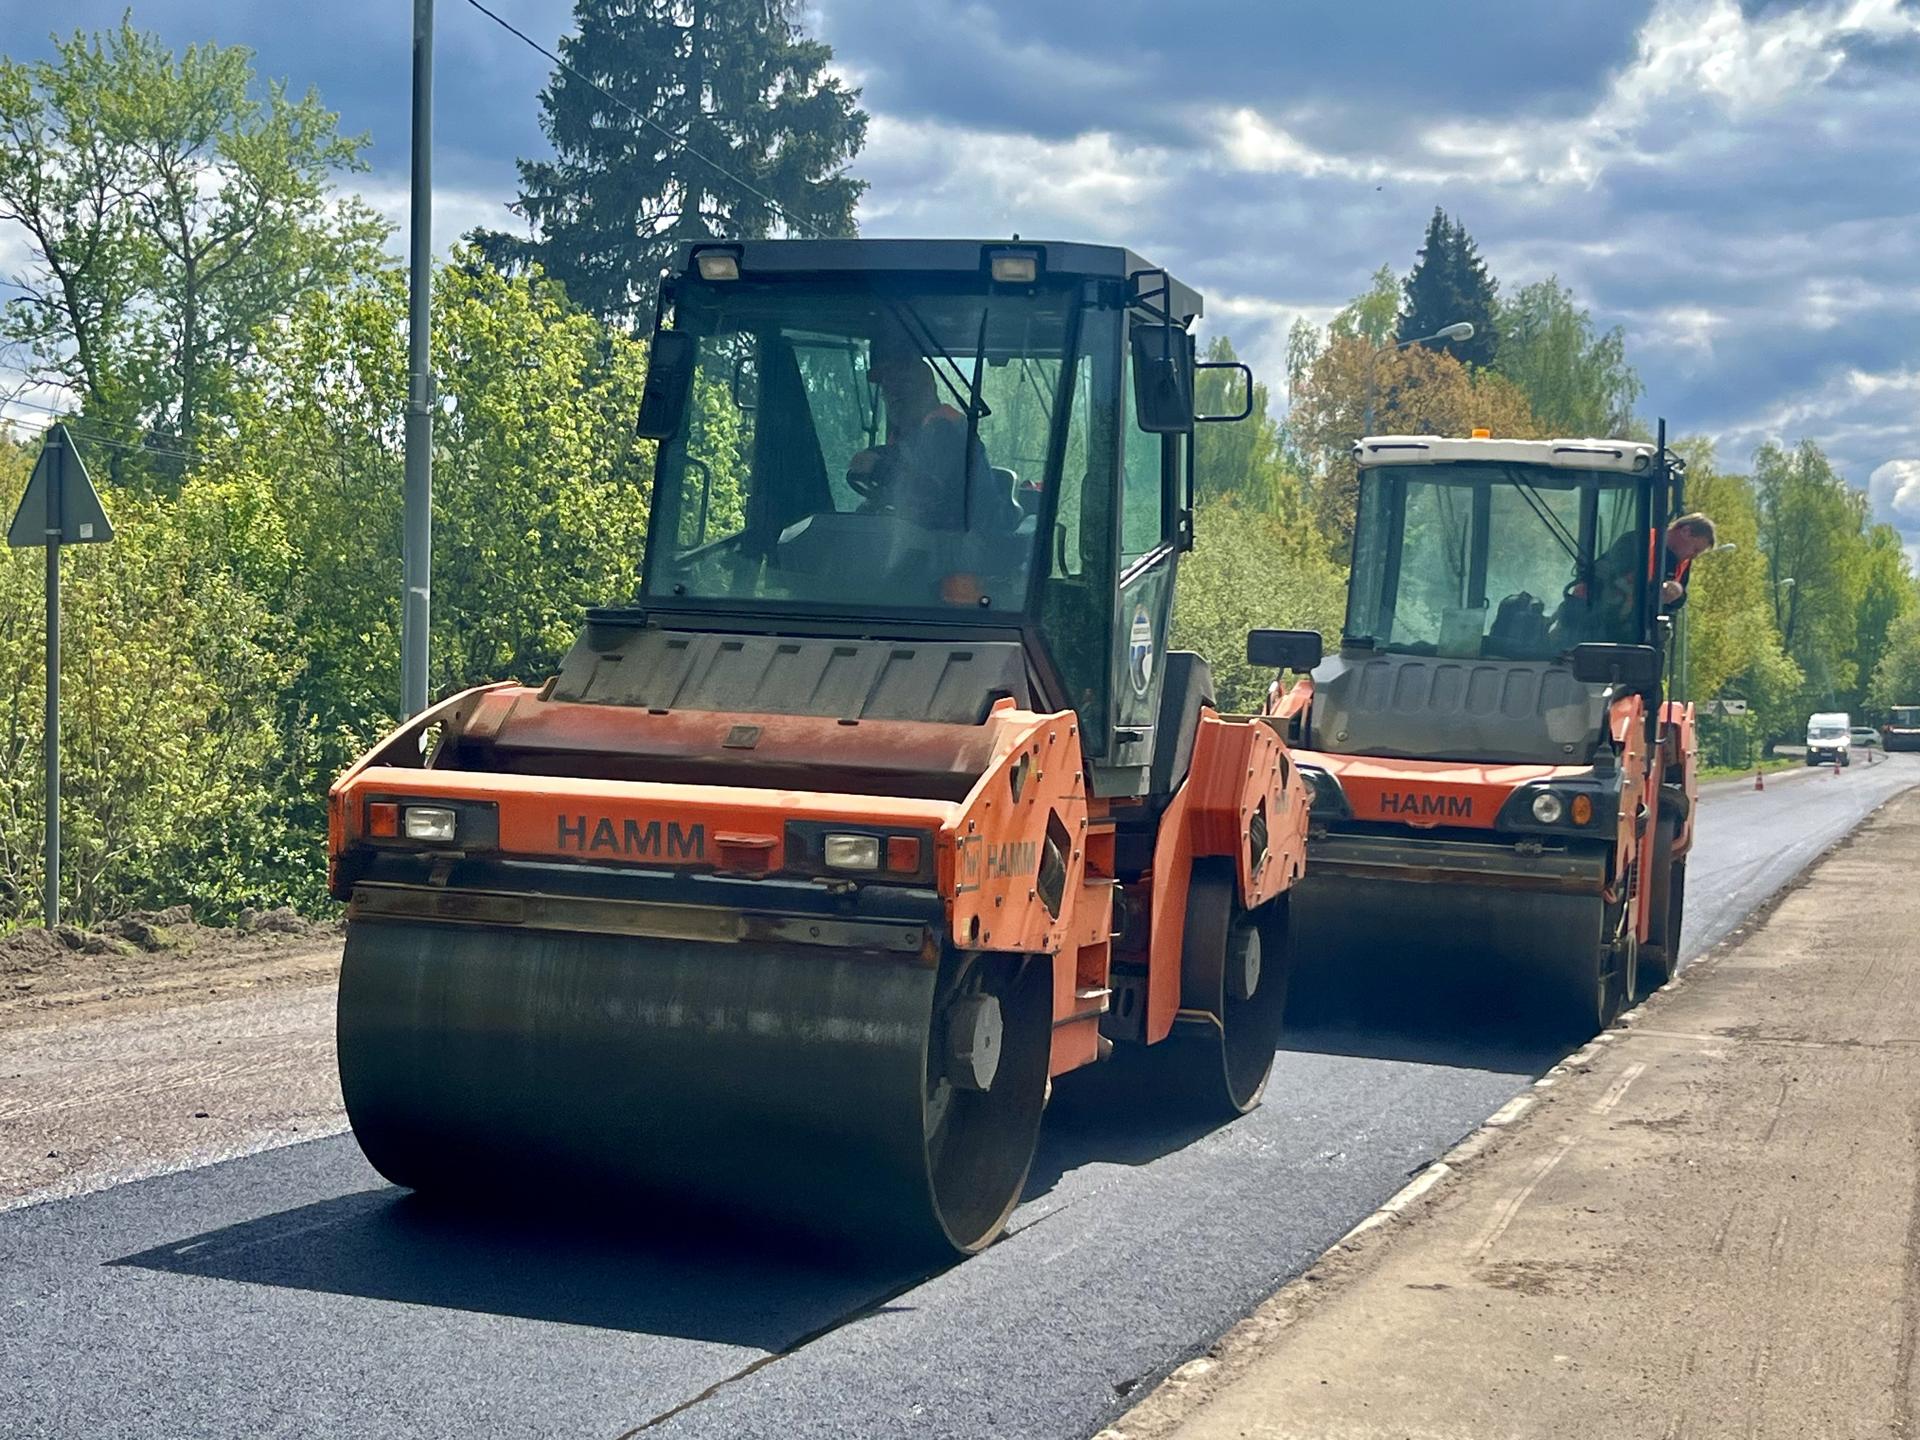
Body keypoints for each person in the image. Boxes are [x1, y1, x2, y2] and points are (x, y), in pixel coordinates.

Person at [846, 333, 991, 528]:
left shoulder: (945, 431)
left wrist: (880, 469)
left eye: (903, 387)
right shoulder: (908, 436)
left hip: (961, 541)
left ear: (927, 390)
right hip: (920, 538)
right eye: (888, 388)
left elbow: (929, 492)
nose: (893, 397)